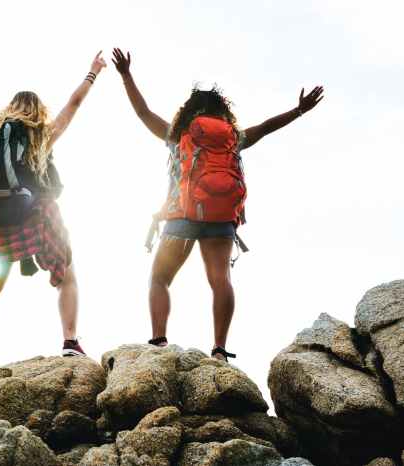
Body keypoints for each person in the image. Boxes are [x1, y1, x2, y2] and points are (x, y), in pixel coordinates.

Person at [111, 47, 324, 361]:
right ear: (223, 113)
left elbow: (143, 113)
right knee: (220, 279)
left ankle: (158, 342)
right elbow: (266, 126)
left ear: (190, 112)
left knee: (159, 278)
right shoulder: (233, 138)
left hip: (182, 214)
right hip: (222, 217)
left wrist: (126, 75)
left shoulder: (179, 134)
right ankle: (220, 350)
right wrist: (299, 110)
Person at [0, 52, 107, 370]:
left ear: (12, 107)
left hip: (2, 218)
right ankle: (70, 341)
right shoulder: (40, 135)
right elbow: (73, 104)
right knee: (67, 274)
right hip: (39, 214)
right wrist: (92, 73)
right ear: (37, 110)